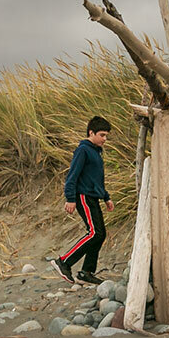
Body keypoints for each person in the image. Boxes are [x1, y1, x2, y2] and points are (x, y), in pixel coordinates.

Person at [50, 116, 113, 285]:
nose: (104, 139)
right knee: (94, 232)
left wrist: (106, 197)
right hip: (83, 196)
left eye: (106, 135)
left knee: (100, 234)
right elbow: (72, 175)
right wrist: (70, 198)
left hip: (93, 196)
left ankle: (86, 272)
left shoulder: (96, 152)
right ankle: (63, 262)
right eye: (102, 135)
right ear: (91, 133)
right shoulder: (83, 150)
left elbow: (96, 179)